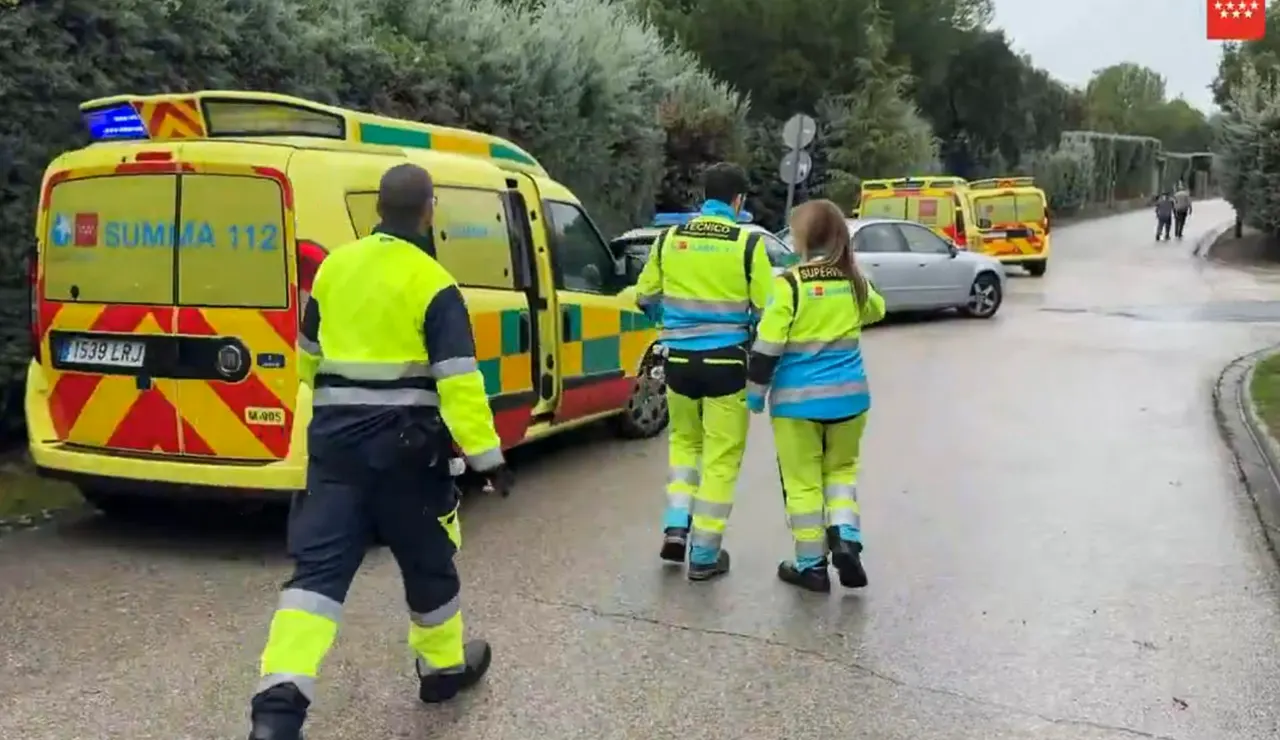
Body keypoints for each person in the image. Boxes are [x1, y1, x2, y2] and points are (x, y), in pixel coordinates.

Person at [247, 163, 512, 740]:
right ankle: (442, 668)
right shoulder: (433, 281)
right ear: (429, 210)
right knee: (426, 559)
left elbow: (306, 356)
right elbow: (459, 381)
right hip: (408, 453)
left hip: (336, 447)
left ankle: (277, 707)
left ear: (376, 210)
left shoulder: (336, 268)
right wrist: (489, 459)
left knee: (316, 575)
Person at [634, 162, 774, 580]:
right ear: (739, 201)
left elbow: (644, 296)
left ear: (704, 196)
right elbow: (768, 312)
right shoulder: (748, 246)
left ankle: (676, 527)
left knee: (685, 448)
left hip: (678, 364)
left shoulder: (670, 239)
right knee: (721, 458)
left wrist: (668, 318)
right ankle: (706, 555)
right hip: (727, 364)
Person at [745, 199, 886, 593]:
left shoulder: (789, 284)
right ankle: (845, 537)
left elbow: (768, 345)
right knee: (840, 473)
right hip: (850, 400)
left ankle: (811, 567)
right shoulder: (853, 281)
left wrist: (755, 396)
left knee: (803, 482)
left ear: (803, 237)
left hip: (797, 404)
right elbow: (878, 310)